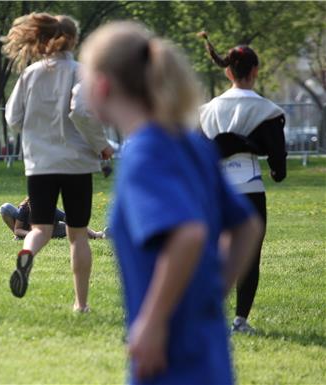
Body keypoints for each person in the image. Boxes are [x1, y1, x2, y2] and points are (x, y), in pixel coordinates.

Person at [80, 22, 263, 384]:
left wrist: (154, 321)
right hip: (209, 357)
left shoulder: (143, 154)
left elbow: (187, 234)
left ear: (102, 87)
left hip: (168, 361)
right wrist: (210, 295)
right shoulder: (190, 144)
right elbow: (247, 225)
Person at [2, 12, 113, 312]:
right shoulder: (81, 72)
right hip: (76, 163)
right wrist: (102, 146)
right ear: (74, 39)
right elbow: (82, 112)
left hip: (40, 164)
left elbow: (12, 118)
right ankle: (81, 304)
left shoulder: (30, 74)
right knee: (78, 235)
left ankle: (27, 254)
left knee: (40, 229)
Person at [198, 32, 287, 334]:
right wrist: (276, 171)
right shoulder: (266, 110)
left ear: (227, 72)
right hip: (249, 189)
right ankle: (240, 320)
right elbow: (277, 157)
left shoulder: (207, 110)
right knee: (248, 255)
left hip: (214, 190)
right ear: (255, 71)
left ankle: (206, 316)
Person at [0, 198, 106, 240]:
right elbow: (17, 229)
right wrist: (29, 234)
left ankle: (99, 235)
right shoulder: (24, 208)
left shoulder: (52, 210)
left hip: (50, 230)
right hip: (28, 231)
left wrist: (94, 234)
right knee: (5, 208)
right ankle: (19, 238)